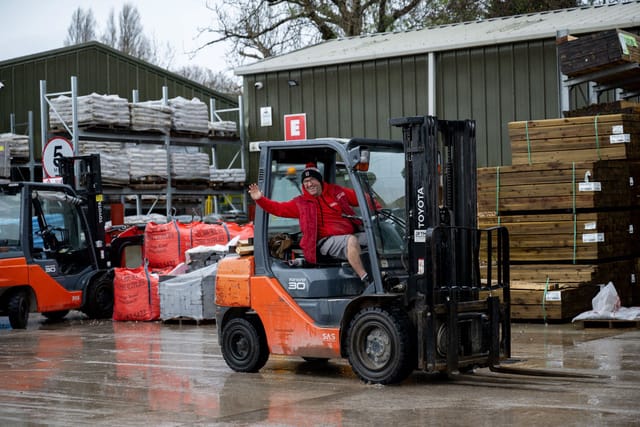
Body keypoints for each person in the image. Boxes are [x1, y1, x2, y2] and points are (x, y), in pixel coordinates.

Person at [248, 163, 371, 285]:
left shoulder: (336, 192)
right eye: (306, 181)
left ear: (320, 180)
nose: (309, 184)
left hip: (349, 233)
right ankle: (365, 278)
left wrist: (378, 210)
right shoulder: (301, 203)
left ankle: (382, 272)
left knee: (374, 237)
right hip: (324, 241)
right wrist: (259, 199)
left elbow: (363, 198)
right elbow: (278, 209)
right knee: (351, 241)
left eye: (312, 179)